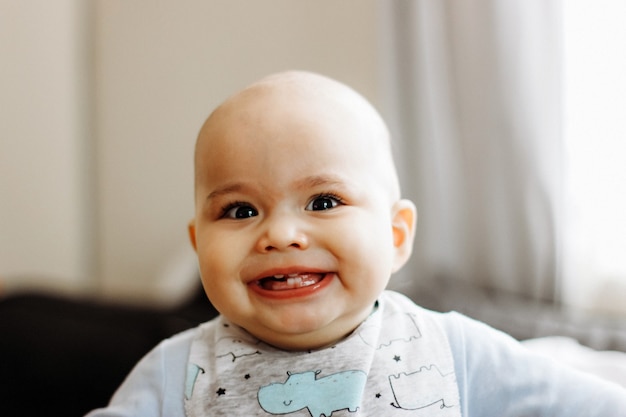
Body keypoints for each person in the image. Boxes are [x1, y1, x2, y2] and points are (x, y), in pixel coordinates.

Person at [86, 71, 626, 416]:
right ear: (198, 242)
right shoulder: (177, 374)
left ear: (395, 236)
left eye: (323, 202)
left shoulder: (455, 353)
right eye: (240, 210)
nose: (279, 234)